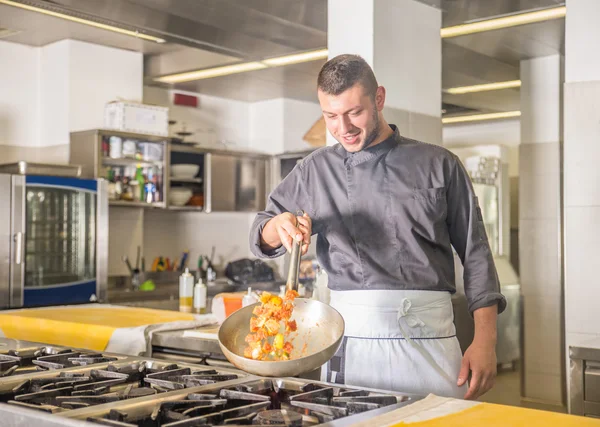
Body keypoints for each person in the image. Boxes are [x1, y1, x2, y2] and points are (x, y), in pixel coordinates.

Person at [249, 54, 506, 400]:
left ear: (379, 98)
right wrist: (278, 225)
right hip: (351, 347)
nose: (343, 128)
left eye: (355, 112)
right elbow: (262, 231)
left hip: (430, 343)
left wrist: (485, 341)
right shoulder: (315, 170)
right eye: (331, 117)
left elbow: (476, 255)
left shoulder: (440, 164)